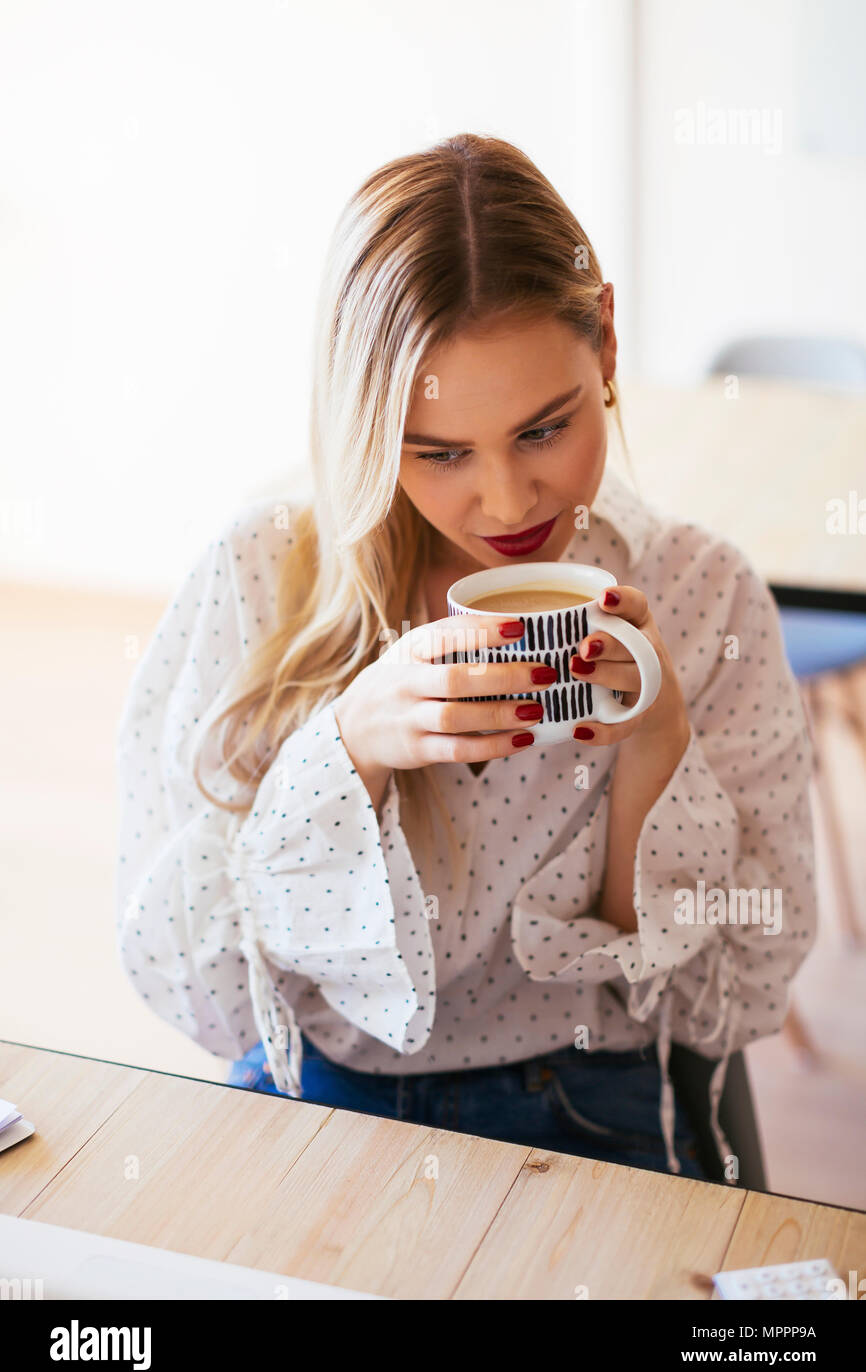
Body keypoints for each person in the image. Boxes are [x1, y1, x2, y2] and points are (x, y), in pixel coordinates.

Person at [115, 133, 817, 1184]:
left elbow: (732, 987)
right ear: (361, 421)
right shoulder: (262, 575)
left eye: (544, 429)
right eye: (437, 452)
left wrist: (654, 743)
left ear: (607, 347)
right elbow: (192, 980)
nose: (502, 502)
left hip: (587, 1099)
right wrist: (345, 744)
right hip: (323, 1101)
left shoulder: (696, 591)